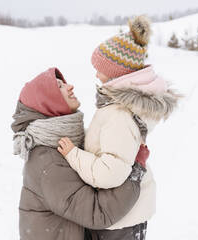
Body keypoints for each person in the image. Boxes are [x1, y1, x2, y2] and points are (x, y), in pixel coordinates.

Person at [57, 16, 181, 239]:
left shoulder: (119, 114)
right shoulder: (121, 108)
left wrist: (73, 155)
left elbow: (109, 173)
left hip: (119, 219)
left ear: (116, 72)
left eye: (100, 69)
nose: (96, 74)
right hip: (122, 213)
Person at [12, 67, 149, 240]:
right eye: (60, 87)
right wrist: (135, 170)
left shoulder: (61, 142)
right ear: (47, 102)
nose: (70, 87)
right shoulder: (48, 161)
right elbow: (97, 212)